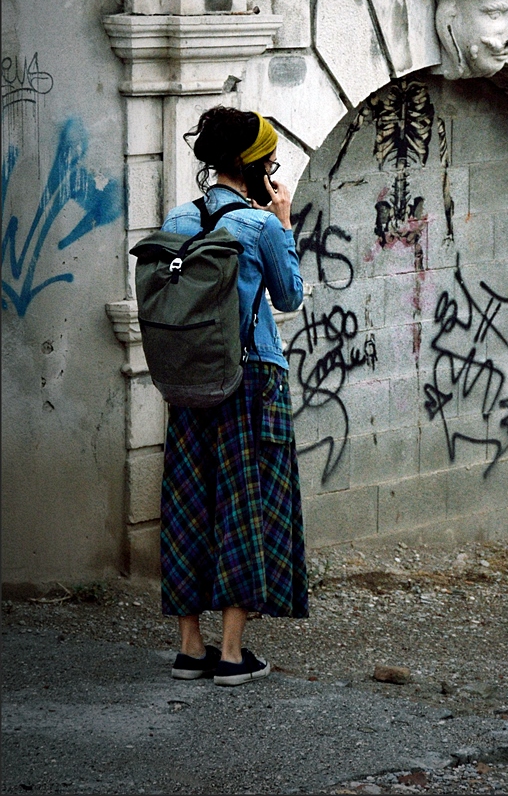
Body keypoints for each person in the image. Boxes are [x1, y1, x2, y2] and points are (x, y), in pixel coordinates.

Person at [159, 106, 308, 687]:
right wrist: (284, 217)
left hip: (192, 380)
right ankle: (231, 654)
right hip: (250, 382)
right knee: (244, 508)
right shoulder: (259, 225)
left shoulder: (178, 217)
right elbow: (290, 295)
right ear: (256, 165)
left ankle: (190, 647)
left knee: (192, 503)